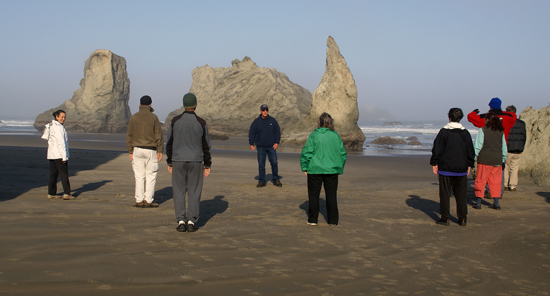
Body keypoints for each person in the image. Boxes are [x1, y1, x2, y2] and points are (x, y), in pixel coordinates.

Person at [166, 93, 212, 233]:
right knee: (194, 190)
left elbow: (169, 143)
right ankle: (191, 220)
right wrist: (207, 164)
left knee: (178, 190)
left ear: (184, 105)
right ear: (195, 105)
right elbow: (206, 145)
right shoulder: (201, 122)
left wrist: (169, 162)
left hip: (178, 159)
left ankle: (181, 220)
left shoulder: (175, 121)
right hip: (196, 160)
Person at [300, 112, 347, 226]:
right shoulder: (335, 135)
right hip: (331, 169)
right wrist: (339, 166)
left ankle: (312, 220)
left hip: (315, 169)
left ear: (319, 122)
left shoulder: (314, 135)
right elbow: (342, 154)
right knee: (331, 195)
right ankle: (333, 221)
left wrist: (305, 167)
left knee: (313, 195)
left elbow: (306, 152)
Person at [430, 108, 475, 226]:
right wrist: (470, 164)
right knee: (461, 194)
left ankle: (445, 218)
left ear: (449, 117)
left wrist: (434, 163)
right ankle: (463, 218)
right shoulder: (465, 133)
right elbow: (470, 150)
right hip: (460, 167)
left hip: (446, 167)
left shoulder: (444, 132)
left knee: (444, 194)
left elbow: (437, 149)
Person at [126, 95, 164, 208]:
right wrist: (160, 150)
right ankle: (148, 200)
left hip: (137, 149)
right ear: (150, 105)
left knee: (139, 176)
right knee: (151, 175)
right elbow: (159, 135)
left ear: (139, 104)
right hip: (150, 150)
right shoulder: (154, 117)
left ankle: (139, 199)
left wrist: (130, 151)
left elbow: (129, 135)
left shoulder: (134, 117)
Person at [473, 111, 507, 210]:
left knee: (481, 180)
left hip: (485, 159)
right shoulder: (501, 132)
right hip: (497, 160)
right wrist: (503, 158)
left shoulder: (483, 130)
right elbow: (504, 147)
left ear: (487, 120)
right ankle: (496, 202)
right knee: (495, 182)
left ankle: (478, 202)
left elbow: (478, 146)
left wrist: (474, 157)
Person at [42, 109, 74, 200]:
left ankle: (51, 193)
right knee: (64, 174)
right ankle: (67, 193)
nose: (63, 119)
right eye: (62, 117)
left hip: (52, 154)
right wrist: (64, 157)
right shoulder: (58, 128)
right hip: (59, 155)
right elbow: (61, 143)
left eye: (64, 117)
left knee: (54, 174)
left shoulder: (51, 126)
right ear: (56, 117)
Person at [248, 104, 282, 187]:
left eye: (266, 110)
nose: (265, 112)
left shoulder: (273, 121)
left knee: (274, 163)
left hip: (271, 147)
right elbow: (251, 133)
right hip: (261, 147)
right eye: (263, 110)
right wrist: (251, 143)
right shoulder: (256, 122)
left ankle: (276, 179)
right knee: (261, 165)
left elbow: (277, 132)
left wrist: (277, 142)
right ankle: (262, 181)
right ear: (260, 111)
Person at [503, 105, 526, 191]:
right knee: (514, 168)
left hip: (508, 148)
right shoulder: (522, 123)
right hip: (518, 149)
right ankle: (512, 186)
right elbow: (524, 136)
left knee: (506, 167)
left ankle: (505, 184)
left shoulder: (505, 123)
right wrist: (522, 148)